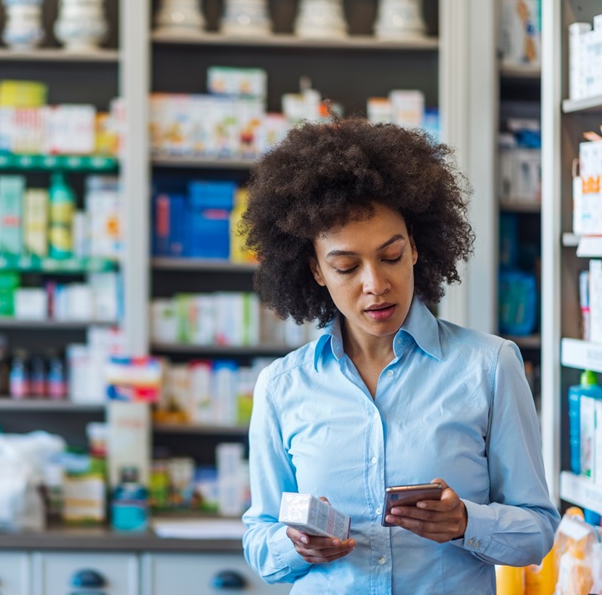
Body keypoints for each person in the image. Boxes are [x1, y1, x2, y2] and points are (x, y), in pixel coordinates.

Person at [240, 118, 560, 594]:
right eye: (346, 266)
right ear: (316, 271)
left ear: (414, 247)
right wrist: (295, 546)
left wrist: (463, 521)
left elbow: (537, 530)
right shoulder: (283, 386)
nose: (375, 285)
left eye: (390, 256)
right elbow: (260, 538)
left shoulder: (489, 365)